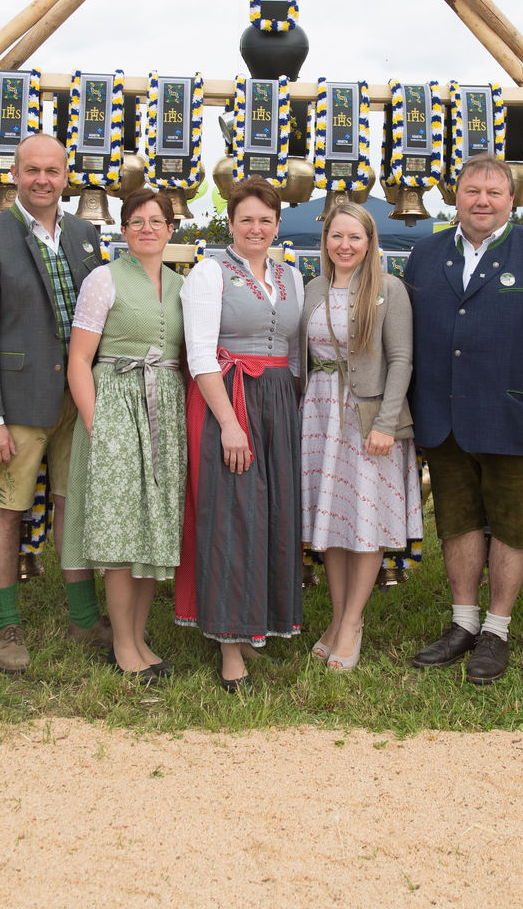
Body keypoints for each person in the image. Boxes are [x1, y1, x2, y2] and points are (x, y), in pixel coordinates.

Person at [405, 156, 523, 685]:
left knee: (512, 527)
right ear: (454, 196)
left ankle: (497, 630)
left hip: (516, 417)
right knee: (457, 521)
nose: (481, 200)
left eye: (493, 191)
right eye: (471, 191)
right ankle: (463, 623)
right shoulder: (425, 254)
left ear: (514, 199)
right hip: (443, 417)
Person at [0, 133, 108, 673]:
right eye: (32, 170)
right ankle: (6, 624)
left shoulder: (86, 234)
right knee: (8, 507)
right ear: (14, 174)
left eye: (53, 170)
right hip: (18, 403)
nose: (43, 179)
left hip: (78, 395)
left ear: (66, 175)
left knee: (73, 504)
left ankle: (84, 616)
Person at [177, 178, 305, 691]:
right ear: (230, 222)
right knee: (233, 514)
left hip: (277, 399)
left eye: (266, 220)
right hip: (228, 397)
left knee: (271, 511)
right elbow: (200, 353)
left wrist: (288, 408)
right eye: (246, 219)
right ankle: (230, 646)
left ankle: (260, 621)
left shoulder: (291, 276)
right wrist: (229, 422)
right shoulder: (210, 272)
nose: (257, 228)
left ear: (277, 225)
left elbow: (294, 354)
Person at [64, 188, 186, 680]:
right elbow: (78, 361)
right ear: (122, 230)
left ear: (172, 229)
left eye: (156, 221)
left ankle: (139, 637)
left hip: (164, 411)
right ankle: (122, 645)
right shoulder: (103, 279)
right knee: (121, 534)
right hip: (115, 408)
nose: (147, 229)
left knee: (153, 529)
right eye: (136, 222)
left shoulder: (183, 285)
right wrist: (99, 427)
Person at [300, 202, 420, 672]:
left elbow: (402, 360)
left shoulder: (389, 290)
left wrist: (387, 423)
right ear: (325, 241)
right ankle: (335, 618)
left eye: (355, 237)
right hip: (320, 412)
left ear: (370, 241)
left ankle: (352, 622)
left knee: (364, 522)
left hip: (369, 415)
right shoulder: (312, 288)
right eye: (336, 236)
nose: (345, 245)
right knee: (331, 522)